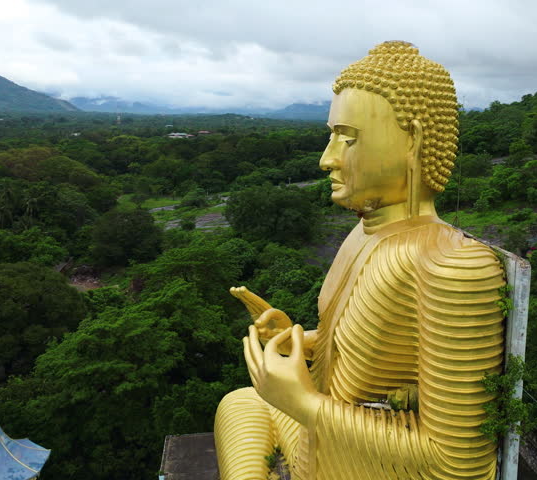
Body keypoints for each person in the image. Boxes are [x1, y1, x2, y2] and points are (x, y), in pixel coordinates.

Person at [215, 40, 505, 480]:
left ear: (414, 141)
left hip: (365, 465)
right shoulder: (362, 232)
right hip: (325, 445)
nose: (326, 158)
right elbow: (358, 364)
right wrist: (303, 342)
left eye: (346, 139)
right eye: (330, 136)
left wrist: (303, 403)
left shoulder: (455, 267)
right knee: (240, 401)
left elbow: (458, 465)